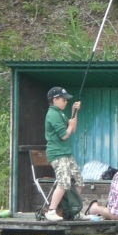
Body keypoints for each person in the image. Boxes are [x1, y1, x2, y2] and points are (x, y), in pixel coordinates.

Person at [43, 86, 88, 222]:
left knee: (79, 180)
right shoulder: (52, 114)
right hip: (57, 154)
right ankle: (51, 211)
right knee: (64, 182)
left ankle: (74, 210)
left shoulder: (60, 113)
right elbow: (64, 135)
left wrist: (74, 111)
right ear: (55, 100)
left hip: (66, 153)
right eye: (63, 100)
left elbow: (73, 129)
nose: (66, 102)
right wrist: (70, 125)